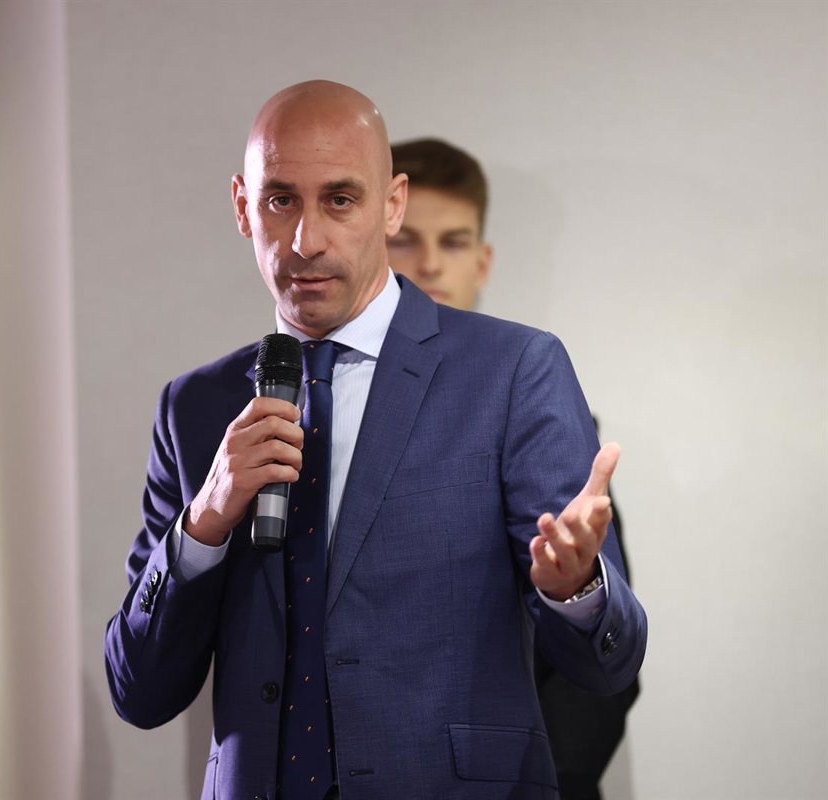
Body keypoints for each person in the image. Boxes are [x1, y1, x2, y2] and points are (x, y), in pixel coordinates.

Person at [105, 80, 646, 800]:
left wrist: (575, 589)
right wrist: (202, 524)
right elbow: (138, 691)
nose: (306, 240)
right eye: (280, 200)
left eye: (339, 200)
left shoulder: (513, 369)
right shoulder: (194, 406)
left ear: (391, 205)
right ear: (242, 206)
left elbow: (610, 667)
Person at [386, 137, 640, 800]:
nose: (430, 263)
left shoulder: (545, 417)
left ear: (483, 260)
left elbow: (602, 667)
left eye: (454, 241)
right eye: (405, 241)